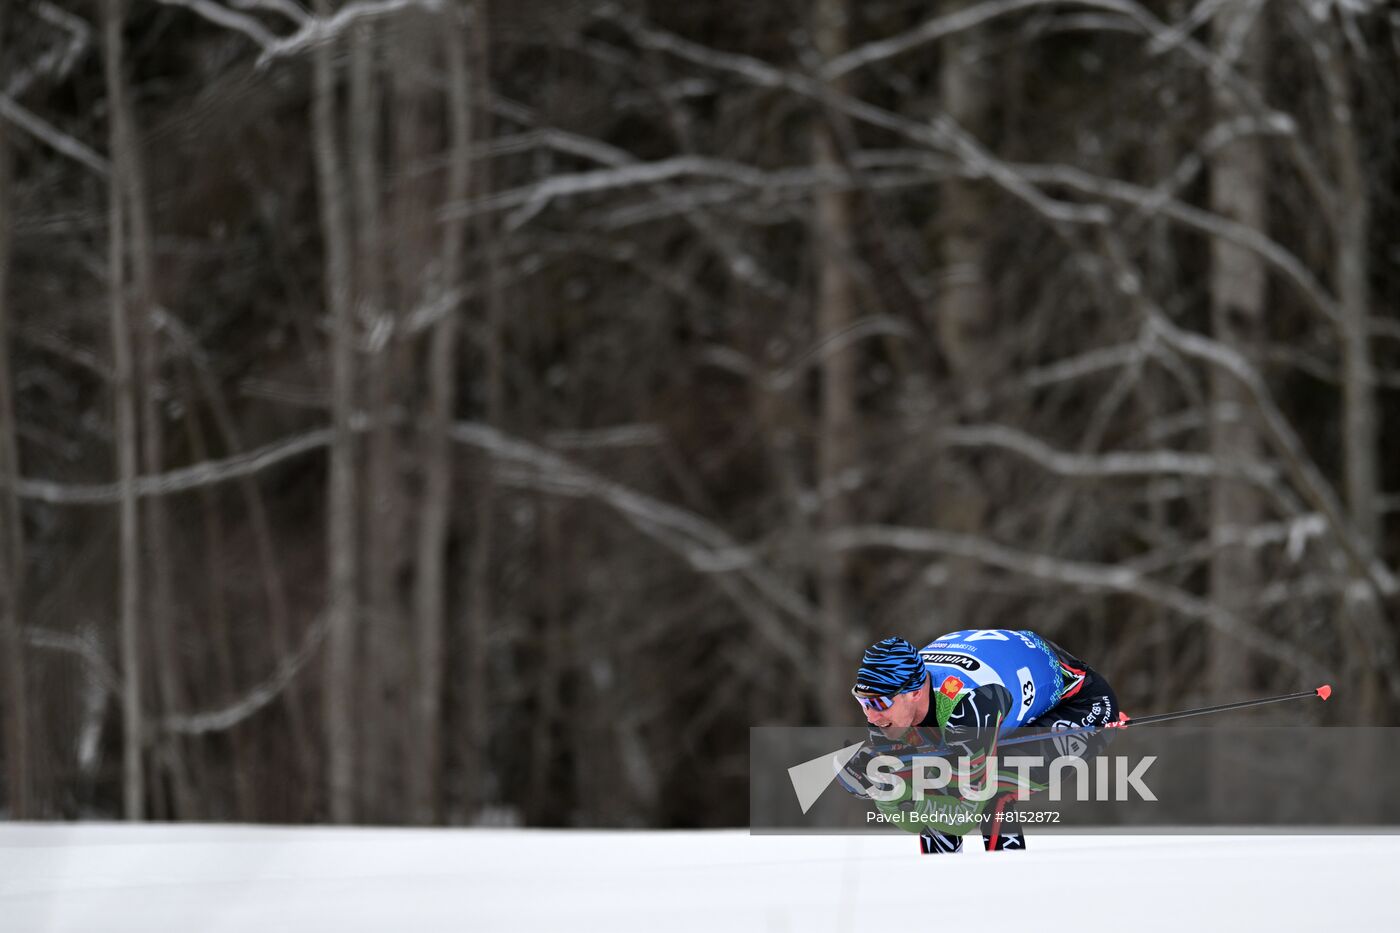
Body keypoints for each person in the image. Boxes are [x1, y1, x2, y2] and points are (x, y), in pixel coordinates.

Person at [841, 630, 1121, 853]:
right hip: (1006, 678)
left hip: (1079, 704)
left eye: (879, 703)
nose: (871, 715)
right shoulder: (888, 709)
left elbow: (963, 816)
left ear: (913, 692)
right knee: (931, 776)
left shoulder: (970, 705)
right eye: (862, 701)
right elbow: (912, 819)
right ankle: (939, 890)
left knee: (992, 787)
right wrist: (883, 788)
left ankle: (1006, 888)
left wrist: (900, 790)